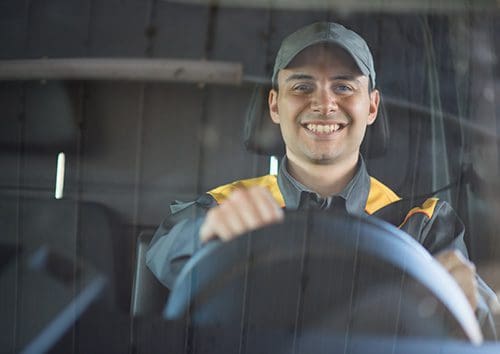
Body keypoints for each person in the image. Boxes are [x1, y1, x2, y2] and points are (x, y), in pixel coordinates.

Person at [146, 22, 497, 339]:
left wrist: (474, 300)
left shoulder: (422, 224)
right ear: (274, 105)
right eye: (302, 86)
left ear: (372, 107)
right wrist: (206, 234)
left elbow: (479, 319)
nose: (324, 103)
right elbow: (165, 250)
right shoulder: (229, 209)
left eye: (344, 86)